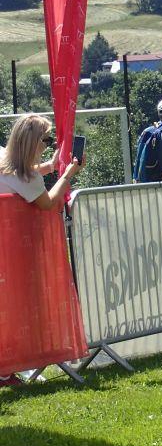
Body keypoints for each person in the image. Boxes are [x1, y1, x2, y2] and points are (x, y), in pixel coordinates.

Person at [0, 114, 84, 387]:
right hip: (19, 251)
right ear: (32, 142)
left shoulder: (5, 161)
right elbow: (47, 203)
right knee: (21, 308)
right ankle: (11, 367)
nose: (48, 145)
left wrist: (49, 166)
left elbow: (21, 171)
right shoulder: (27, 177)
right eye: (46, 140)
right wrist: (67, 175)